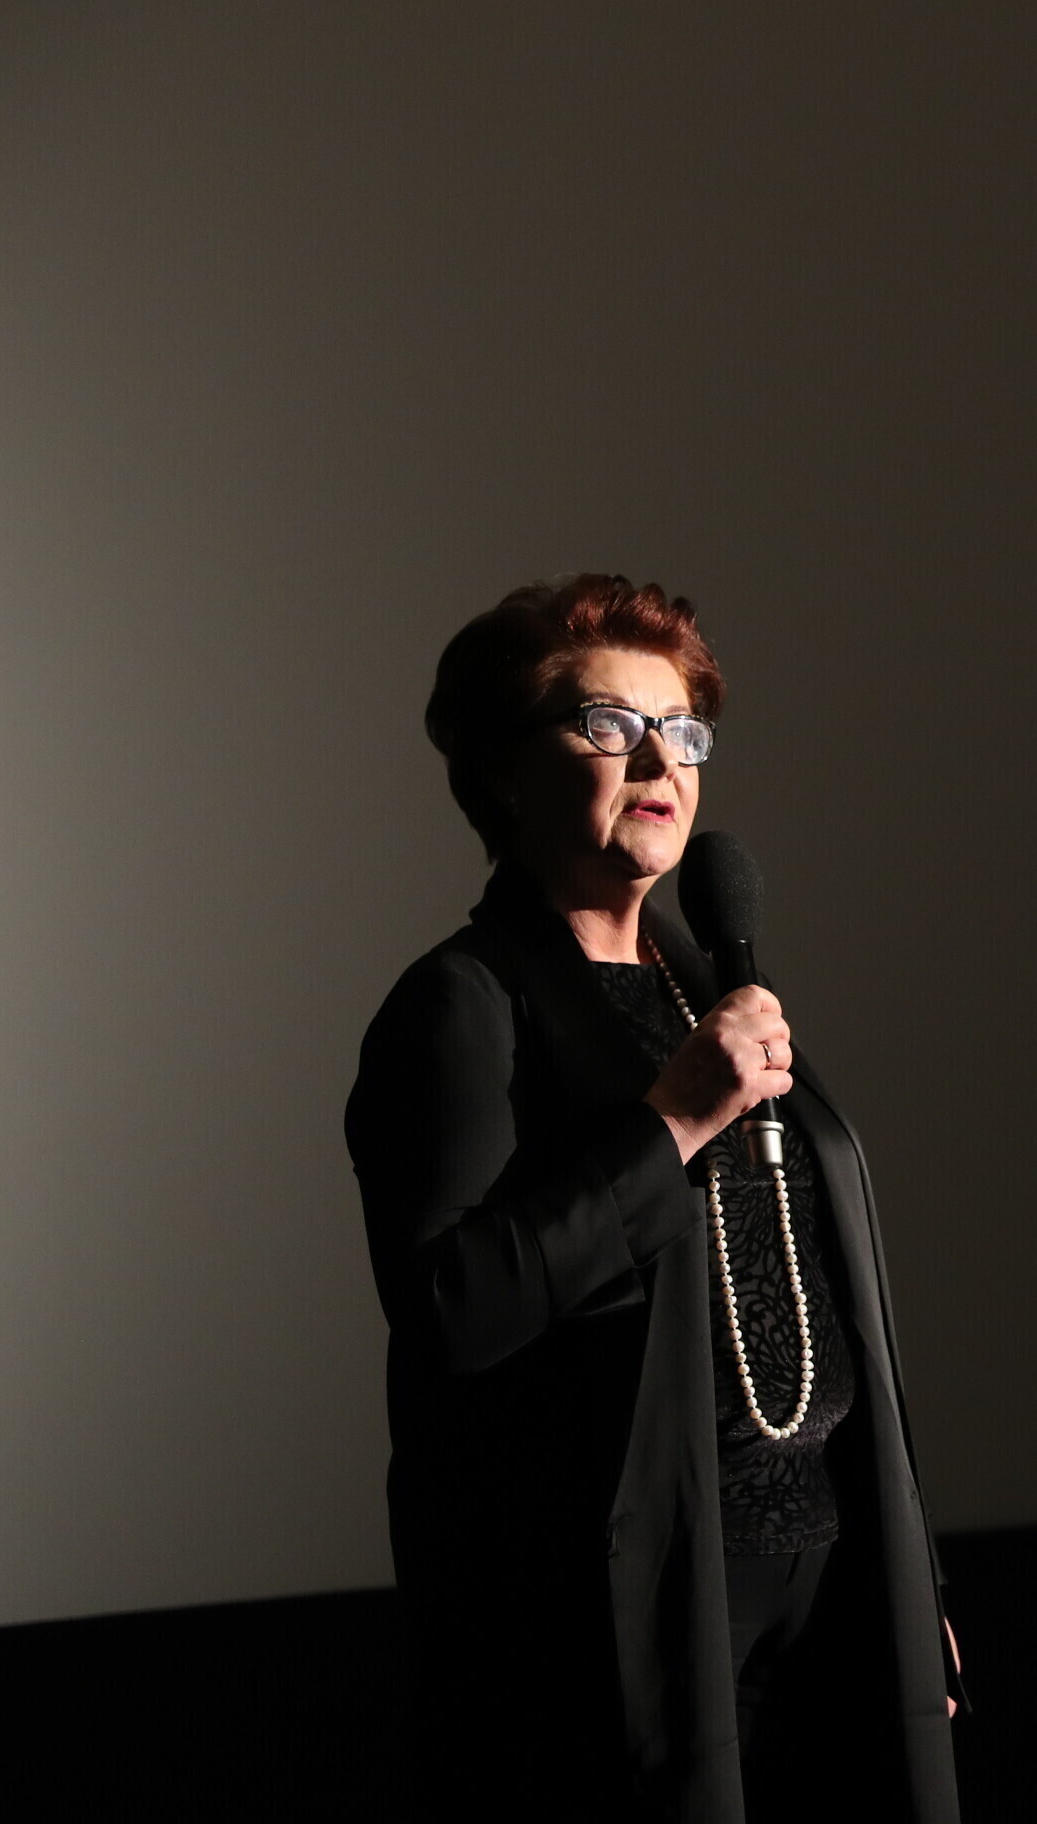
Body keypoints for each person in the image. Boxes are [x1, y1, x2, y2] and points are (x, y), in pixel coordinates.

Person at [346, 575, 961, 1821]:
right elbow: (453, 1305)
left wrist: (913, 1579)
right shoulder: (464, 1003)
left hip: (829, 1567)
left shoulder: (704, 987)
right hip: (642, 1608)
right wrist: (672, 1122)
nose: (659, 761)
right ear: (503, 771)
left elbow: (819, 1293)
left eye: (682, 731)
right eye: (607, 725)